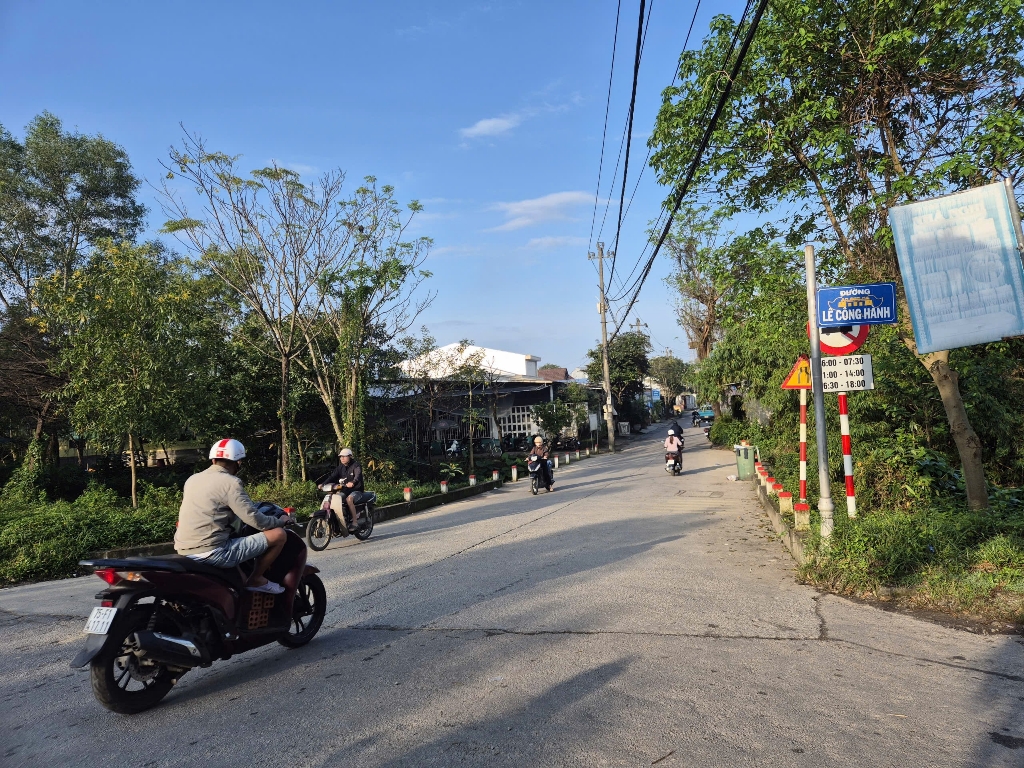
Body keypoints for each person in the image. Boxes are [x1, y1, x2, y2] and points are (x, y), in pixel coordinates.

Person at [174, 439, 294, 594]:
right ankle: (256, 579)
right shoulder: (231, 482)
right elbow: (255, 520)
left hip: (183, 549)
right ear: (238, 463)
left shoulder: (192, 479)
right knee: (278, 535)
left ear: (213, 460)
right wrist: (280, 521)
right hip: (213, 551)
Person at [319, 448, 365, 531]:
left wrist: (353, 482)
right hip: (345, 490)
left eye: (344, 456)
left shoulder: (356, 465)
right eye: (341, 456)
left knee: (349, 499)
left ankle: (355, 522)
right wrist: (323, 484)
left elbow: (357, 476)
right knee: (334, 499)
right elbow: (332, 477)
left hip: (356, 490)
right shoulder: (340, 468)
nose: (342, 458)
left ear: (350, 456)